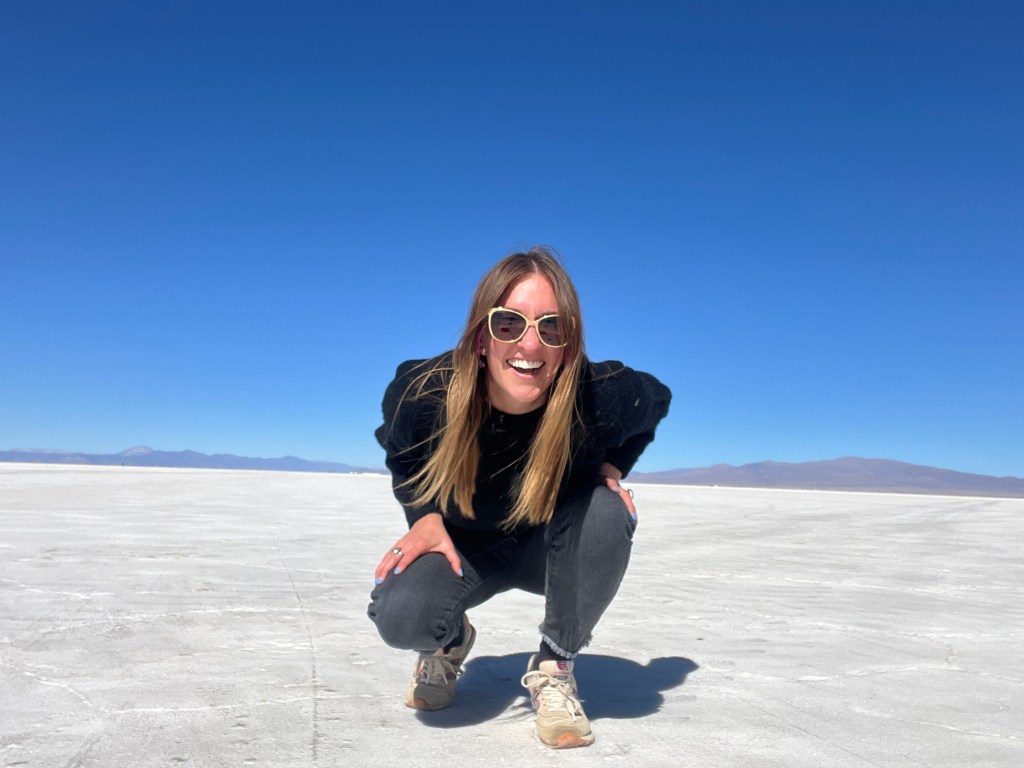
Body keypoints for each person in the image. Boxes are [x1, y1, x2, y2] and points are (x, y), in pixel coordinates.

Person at [367, 246, 671, 749]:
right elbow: (400, 449)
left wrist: (612, 468)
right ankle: (448, 644)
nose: (530, 343)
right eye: (509, 323)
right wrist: (422, 516)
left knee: (605, 508)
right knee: (404, 619)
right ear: (482, 336)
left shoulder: (598, 397)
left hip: (551, 550)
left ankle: (555, 666)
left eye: (551, 327)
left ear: (567, 345)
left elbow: (656, 399)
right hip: (464, 549)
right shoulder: (425, 393)